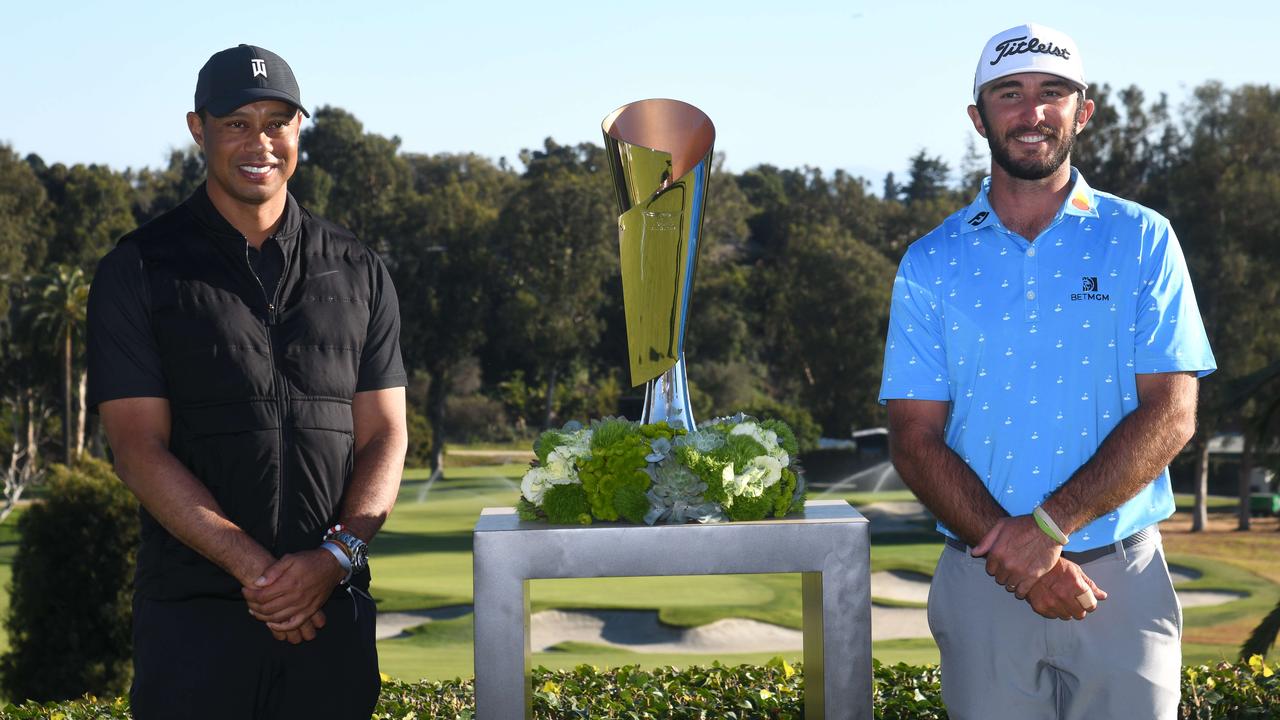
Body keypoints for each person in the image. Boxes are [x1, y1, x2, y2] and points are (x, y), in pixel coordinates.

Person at [878, 23, 1215, 719]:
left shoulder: (1143, 238)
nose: (1032, 112)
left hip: (1121, 578)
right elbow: (913, 438)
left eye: (1052, 92)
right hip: (981, 581)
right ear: (979, 116)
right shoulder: (931, 262)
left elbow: (1173, 413)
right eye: (1009, 93)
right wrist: (1022, 558)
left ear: (1082, 111)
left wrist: (1046, 533)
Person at [87, 44, 408, 719]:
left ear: (299, 131)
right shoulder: (139, 268)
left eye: (276, 122)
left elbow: (384, 434)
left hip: (333, 620)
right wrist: (262, 577)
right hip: (193, 629)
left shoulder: (358, 267)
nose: (258, 142)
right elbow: (138, 448)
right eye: (236, 122)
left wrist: (332, 559)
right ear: (198, 129)